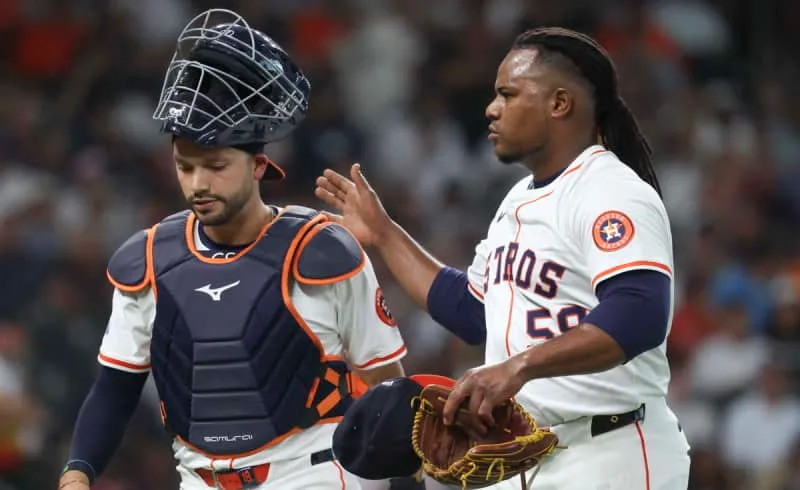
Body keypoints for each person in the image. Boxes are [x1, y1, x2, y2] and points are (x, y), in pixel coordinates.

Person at [316, 27, 690, 489]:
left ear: (559, 103)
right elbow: (475, 311)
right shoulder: (517, 199)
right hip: (524, 459)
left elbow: (640, 312)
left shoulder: (609, 190)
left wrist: (519, 366)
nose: (491, 108)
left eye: (508, 94)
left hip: (610, 450)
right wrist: (384, 235)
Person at [58, 9, 407, 490]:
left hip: (315, 473)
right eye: (186, 167)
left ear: (259, 165)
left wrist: (408, 480)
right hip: (200, 479)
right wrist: (78, 472)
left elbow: (388, 386)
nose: (198, 183)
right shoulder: (150, 260)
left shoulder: (322, 252)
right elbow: (115, 388)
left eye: (216, 165)